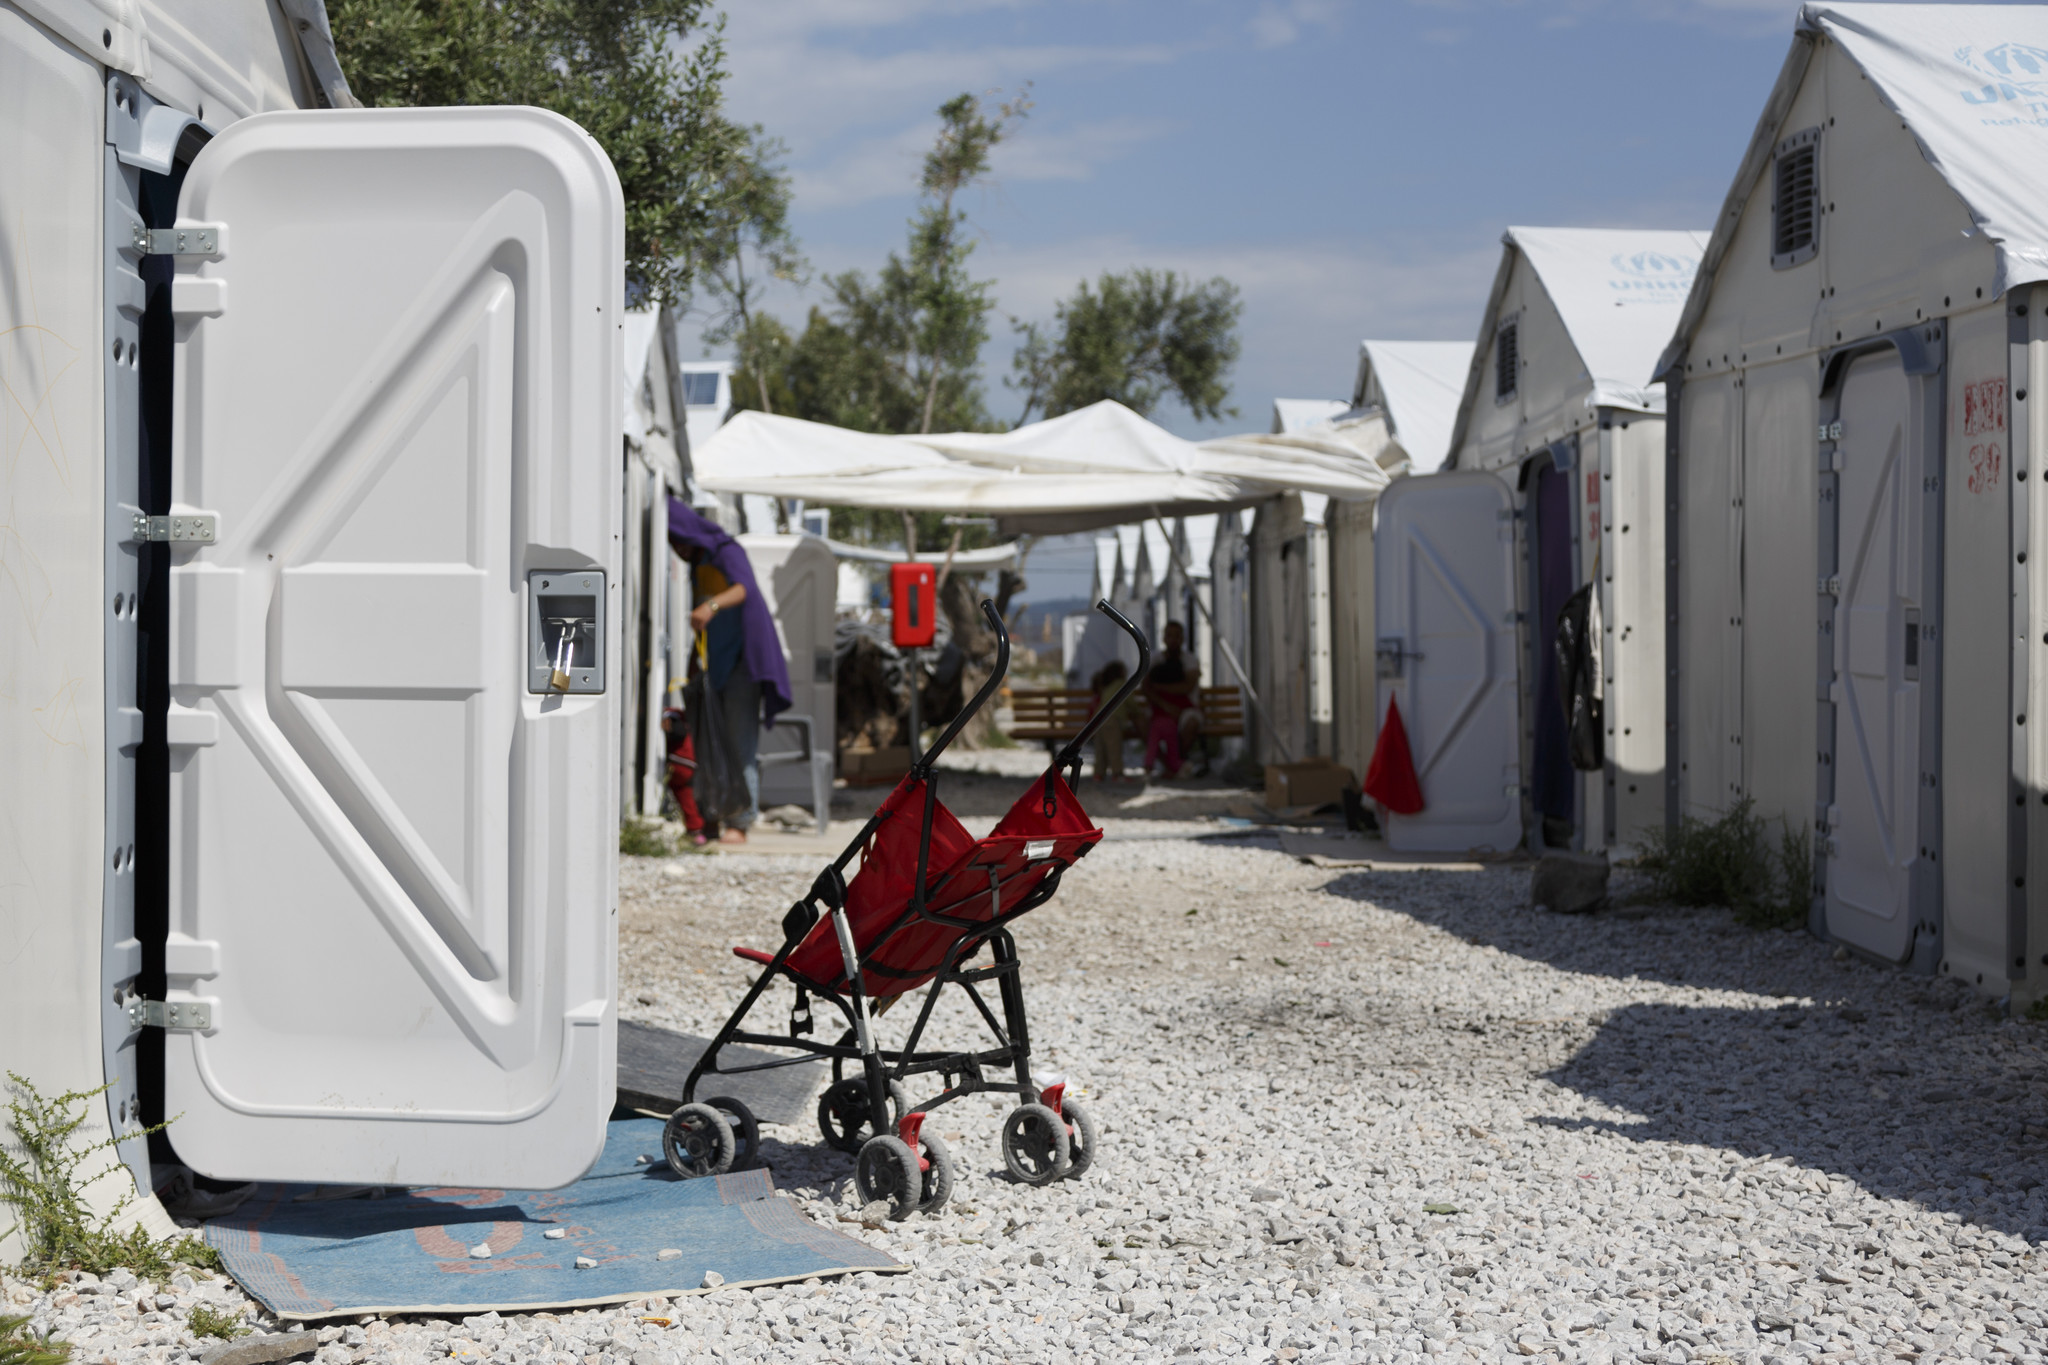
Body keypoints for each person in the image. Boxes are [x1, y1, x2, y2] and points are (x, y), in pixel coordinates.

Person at [667, 501, 793, 844]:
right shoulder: (698, 564)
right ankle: (710, 818)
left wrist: (710, 605)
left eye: (677, 539)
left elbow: (744, 588)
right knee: (706, 744)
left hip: (743, 664)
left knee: (739, 744)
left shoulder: (726, 550)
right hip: (712, 665)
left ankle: (740, 820)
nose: (676, 548)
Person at [1142, 620, 1203, 779]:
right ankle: (1174, 765)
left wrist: (1160, 689)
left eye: (1177, 636)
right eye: (1169, 636)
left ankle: (1172, 765)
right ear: (1164, 638)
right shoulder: (1155, 658)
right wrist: (1165, 705)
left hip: (1185, 710)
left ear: (1182, 638)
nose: (1173, 640)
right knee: (1146, 724)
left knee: (1189, 724)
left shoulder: (1189, 660)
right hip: (1161, 710)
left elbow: (1187, 687)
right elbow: (1146, 687)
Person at [660, 705, 707, 846]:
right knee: (686, 799)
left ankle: (694, 830)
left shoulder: (672, 717)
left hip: (679, 764)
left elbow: (677, 733)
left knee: (682, 796)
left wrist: (667, 729)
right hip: (687, 765)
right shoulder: (685, 719)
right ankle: (695, 830)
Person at [1088, 658, 1132, 783]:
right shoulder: (1122, 684)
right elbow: (1131, 703)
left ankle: (1098, 774)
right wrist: (1137, 712)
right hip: (1111, 720)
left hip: (1098, 719)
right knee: (1114, 748)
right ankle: (1117, 774)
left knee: (1100, 749)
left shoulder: (1106, 687)